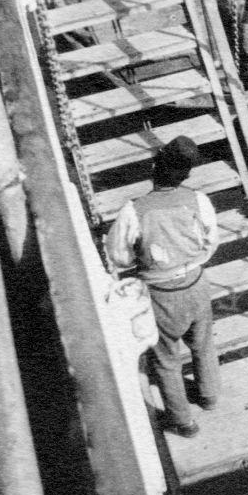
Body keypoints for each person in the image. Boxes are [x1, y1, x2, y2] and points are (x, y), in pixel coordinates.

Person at [105, 136, 221, 438]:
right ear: (186, 175)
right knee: (203, 342)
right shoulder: (199, 200)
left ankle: (184, 422)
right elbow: (211, 242)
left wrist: (143, 260)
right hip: (196, 282)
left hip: (161, 294)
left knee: (166, 359)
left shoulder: (134, 210)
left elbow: (119, 256)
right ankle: (209, 396)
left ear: (154, 166)